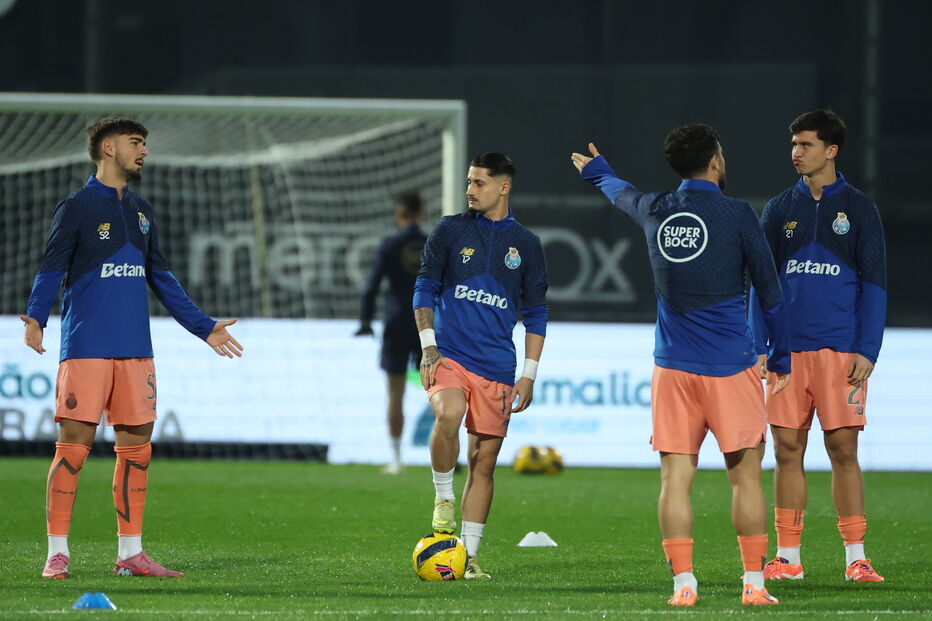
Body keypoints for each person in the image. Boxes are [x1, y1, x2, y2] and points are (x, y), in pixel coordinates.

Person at [571, 125, 791, 606]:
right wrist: (781, 355)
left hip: (672, 369)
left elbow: (621, 195)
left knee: (675, 480)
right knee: (746, 479)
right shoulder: (736, 215)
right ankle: (754, 585)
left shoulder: (657, 209)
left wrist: (598, 172)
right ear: (715, 159)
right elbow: (770, 292)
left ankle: (683, 586)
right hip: (731, 368)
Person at [21, 117, 243, 580]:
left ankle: (131, 554)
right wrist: (37, 317)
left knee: (137, 448)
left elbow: (160, 276)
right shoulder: (77, 207)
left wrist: (204, 327)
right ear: (108, 148)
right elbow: (51, 268)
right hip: (86, 348)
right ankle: (57, 552)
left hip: (136, 351)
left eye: (144, 143)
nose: (144, 151)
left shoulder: (142, 211)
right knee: (75, 447)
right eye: (135, 143)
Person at [750, 109, 886, 583]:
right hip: (788, 353)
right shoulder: (778, 209)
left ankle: (856, 558)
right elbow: (760, 284)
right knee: (787, 450)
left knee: (843, 448)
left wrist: (868, 348)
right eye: (793, 144)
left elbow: (876, 285)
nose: (795, 152)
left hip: (840, 352)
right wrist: (760, 343)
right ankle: (788, 557)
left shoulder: (860, 209)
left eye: (805, 144)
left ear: (831, 150)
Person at [414, 152, 548, 580]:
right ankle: (442, 504)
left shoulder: (525, 244)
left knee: (484, 463)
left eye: (479, 182)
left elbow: (538, 312)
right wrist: (429, 347)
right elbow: (424, 287)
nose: (470, 190)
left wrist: (528, 374)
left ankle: (468, 558)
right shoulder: (450, 230)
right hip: (449, 354)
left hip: (497, 366)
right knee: (448, 413)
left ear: (503, 186)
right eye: (468, 182)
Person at [355, 191, 428, 474]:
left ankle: (397, 459)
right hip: (427, 324)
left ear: (399, 213)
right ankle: (449, 455)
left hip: (397, 323)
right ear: (421, 212)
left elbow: (372, 286)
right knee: (440, 391)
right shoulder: (430, 244)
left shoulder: (389, 245)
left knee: (395, 394)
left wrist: (365, 321)